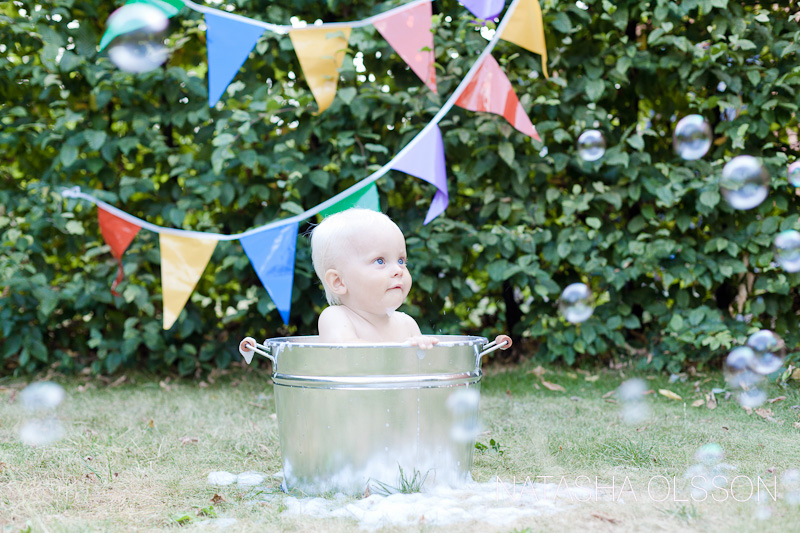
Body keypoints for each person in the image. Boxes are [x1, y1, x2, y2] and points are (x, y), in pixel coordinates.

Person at [310, 208, 438, 348]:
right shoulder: (336, 317)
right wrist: (400, 348)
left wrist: (422, 352)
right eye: (380, 261)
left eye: (401, 261)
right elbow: (345, 351)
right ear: (339, 281)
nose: (398, 270)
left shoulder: (407, 324)